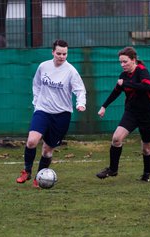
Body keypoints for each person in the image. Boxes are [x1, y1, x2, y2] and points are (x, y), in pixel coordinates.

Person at [16, 39, 87, 187]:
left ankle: (39, 177)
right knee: (31, 141)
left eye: (65, 54)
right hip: (42, 110)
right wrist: (36, 102)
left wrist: (81, 104)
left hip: (62, 115)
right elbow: (36, 84)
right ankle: (27, 171)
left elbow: (80, 89)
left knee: (47, 151)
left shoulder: (71, 71)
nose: (62, 56)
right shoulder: (43, 66)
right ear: (53, 52)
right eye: (59, 53)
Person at [96, 46, 150, 182]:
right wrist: (104, 106)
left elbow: (147, 87)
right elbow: (116, 91)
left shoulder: (142, 71)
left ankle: (146, 174)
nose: (122, 65)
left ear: (133, 60)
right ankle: (113, 170)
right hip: (132, 113)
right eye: (121, 62)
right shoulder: (123, 76)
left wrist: (127, 83)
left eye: (125, 62)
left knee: (146, 148)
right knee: (116, 139)